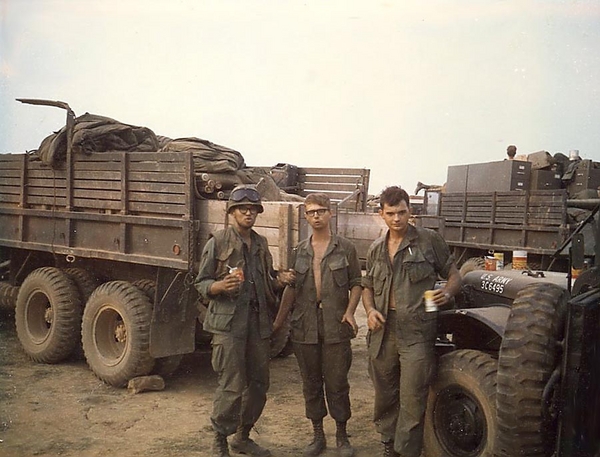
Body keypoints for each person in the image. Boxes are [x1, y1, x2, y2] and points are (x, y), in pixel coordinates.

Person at [195, 184, 296, 457]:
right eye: (243, 209)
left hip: (258, 324)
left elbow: (266, 281)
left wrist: (279, 280)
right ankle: (220, 440)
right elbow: (201, 283)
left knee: (260, 383)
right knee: (231, 384)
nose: (249, 213)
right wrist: (219, 287)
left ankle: (243, 435)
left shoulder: (261, 243)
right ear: (232, 212)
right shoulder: (217, 242)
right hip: (228, 325)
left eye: (253, 209)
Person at [361, 186, 462, 457]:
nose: (397, 219)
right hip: (383, 330)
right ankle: (388, 444)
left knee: (412, 396)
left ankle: (406, 451)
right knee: (385, 394)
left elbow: (454, 274)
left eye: (402, 212)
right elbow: (367, 286)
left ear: (410, 211)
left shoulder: (429, 241)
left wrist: (448, 292)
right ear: (381, 214)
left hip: (417, 329)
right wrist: (370, 311)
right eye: (391, 213)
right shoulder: (375, 249)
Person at [273, 193, 362, 457]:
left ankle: (342, 436)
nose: (316, 216)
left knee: (337, 382)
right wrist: (278, 323)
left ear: (330, 213)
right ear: (306, 216)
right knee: (311, 383)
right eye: (311, 212)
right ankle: (317, 434)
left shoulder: (345, 247)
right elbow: (291, 289)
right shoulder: (299, 250)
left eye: (321, 211)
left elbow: (357, 282)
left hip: (336, 326)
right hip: (305, 328)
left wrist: (350, 312)